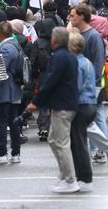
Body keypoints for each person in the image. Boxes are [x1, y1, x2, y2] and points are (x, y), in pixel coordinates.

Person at [27, 27, 80, 194]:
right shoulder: (69, 56)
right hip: (64, 103)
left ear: (54, 40)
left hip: (63, 105)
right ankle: (65, 174)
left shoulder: (59, 57)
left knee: (61, 143)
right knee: (53, 140)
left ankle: (70, 179)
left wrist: (36, 101)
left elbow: (50, 82)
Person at [66, 32, 98, 192]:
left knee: (78, 142)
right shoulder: (86, 61)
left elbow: (75, 86)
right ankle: (82, 175)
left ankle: (85, 176)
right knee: (79, 140)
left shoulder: (77, 63)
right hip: (90, 103)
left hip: (81, 104)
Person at [0, 21, 22, 165]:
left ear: (1, 33)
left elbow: (0, 70)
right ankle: (15, 153)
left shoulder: (6, 48)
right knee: (13, 122)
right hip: (13, 88)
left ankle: (2, 153)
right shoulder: (15, 45)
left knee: (1, 121)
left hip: (4, 89)